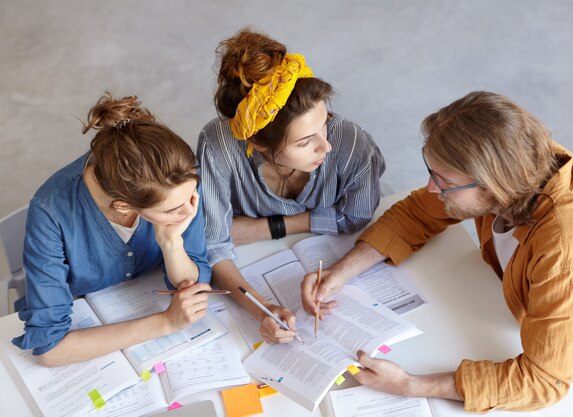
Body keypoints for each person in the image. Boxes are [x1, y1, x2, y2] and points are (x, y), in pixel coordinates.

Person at [301, 91, 573, 413]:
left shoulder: (568, 255)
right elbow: (418, 212)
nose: (431, 189)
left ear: (490, 183)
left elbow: (544, 381)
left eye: (443, 182)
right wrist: (340, 271)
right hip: (519, 318)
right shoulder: (517, 163)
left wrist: (410, 385)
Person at [196, 29, 385, 343]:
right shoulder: (218, 145)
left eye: (324, 122)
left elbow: (358, 216)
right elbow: (213, 247)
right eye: (305, 142)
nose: (326, 147)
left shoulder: (351, 141)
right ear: (257, 143)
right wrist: (263, 309)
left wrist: (263, 228)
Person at [13, 92, 213, 367]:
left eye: (190, 198)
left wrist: (172, 245)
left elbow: (194, 283)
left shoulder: (178, 180)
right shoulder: (51, 212)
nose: (188, 211)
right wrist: (166, 323)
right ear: (123, 207)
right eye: (171, 211)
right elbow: (50, 349)